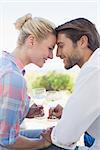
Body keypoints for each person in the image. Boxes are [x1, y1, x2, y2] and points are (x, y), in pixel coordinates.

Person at [41, 18, 100, 150]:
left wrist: (52, 136)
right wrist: (68, 113)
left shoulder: (94, 70)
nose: (57, 54)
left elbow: (64, 137)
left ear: (82, 42)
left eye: (61, 46)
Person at [0, 13, 56, 149]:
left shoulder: (5, 64)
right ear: (31, 41)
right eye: (50, 48)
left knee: (53, 136)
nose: (51, 56)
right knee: (54, 143)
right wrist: (43, 143)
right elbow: (6, 140)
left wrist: (25, 112)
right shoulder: (14, 78)